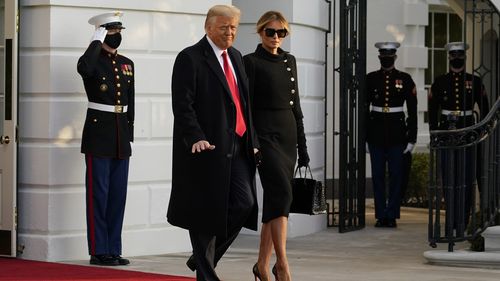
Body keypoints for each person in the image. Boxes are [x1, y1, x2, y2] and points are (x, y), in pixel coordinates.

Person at [167, 5, 260, 281]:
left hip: (239, 146)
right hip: (207, 148)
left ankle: (201, 259)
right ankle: (207, 274)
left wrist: (252, 140)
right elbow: (183, 105)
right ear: (208, 27)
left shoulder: (236, 56)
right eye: (224, 27)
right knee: (205, 214)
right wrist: (195, 136)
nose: (230, 32)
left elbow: (243, 103)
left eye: (233, 27)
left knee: (244, 204)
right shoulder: (190, 58)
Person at [243, 11, 308, 281]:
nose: (276, 37)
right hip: (265, 138)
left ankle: (261, 265)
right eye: (270, 32)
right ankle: (282, 263)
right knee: (281, 194)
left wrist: (302, 147)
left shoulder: (289, 61)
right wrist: (254, 141)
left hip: (288, 137)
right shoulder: (250, 62)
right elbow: (245, 108)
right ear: (260, 32)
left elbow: (296, 107)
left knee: (274, 201)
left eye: (281, 33)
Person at [76, 11, 134, 266]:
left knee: (117, 196)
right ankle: (99, 250)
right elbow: (83, 68)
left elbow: (130, 102)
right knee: (98, 195)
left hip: (120, 135)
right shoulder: (92, 61)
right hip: (99, 135)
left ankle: (114, 248)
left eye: (119, 30)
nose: (117, 35)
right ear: (101, 32)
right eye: (111, 31)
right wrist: (95, 43)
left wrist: (129, 135)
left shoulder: (127, 63)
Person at [428, 42, 489, 233]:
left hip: (468, 130)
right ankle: (450, 219)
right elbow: (432, 111)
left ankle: (463, 219)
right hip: (447, 131)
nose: (456, 58)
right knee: (448, 178)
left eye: (459, 55)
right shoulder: (440, 82)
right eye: (453, 55)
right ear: (449, 57)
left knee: (466, 177)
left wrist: (481, 131)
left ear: (464, 57)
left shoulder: (475, 81)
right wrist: (434, 133)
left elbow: (485, 109)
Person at [366, 42, 417, 228]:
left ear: (395, 57)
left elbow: (412, 110)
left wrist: (412, 138)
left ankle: (392, 214)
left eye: (389, 55)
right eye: (383, 55)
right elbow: (364, 110)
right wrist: (365, 137)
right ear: (379, 57)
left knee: (396, 176)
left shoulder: (405, 79)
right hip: (376, 135)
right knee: (378, 176)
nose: (386, 58)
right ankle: (381, 215)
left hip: (398, 135)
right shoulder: (370, 79)